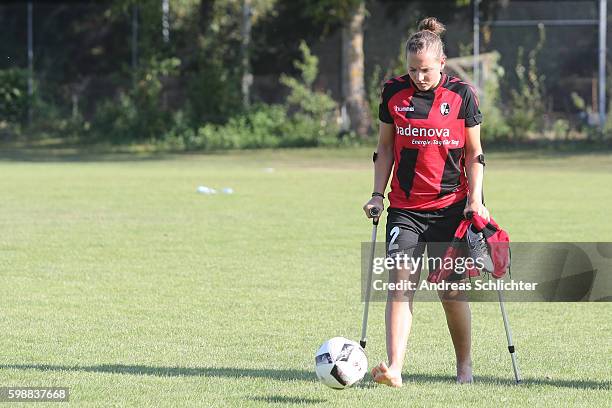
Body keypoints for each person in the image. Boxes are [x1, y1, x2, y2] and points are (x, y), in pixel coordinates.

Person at [362, 17, 489, 387]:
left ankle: (464, 367)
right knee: (400, 284)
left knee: (450, 291)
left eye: (427, 70)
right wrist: (375, 195)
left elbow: (474, 153)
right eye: (413, 70)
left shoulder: (462, 94)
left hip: (452, 207)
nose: (419, 77)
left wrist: (476, 201)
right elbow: (384, 148)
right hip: (405, 208)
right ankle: (395, 367)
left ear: (442, 63)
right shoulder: (392, 93)